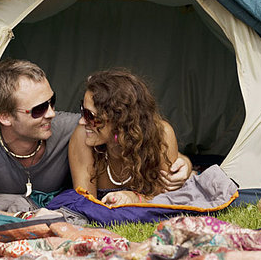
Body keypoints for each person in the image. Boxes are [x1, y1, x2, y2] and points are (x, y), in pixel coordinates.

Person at [0, 59, 190, 206]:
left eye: (52, 101)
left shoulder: (72, 128)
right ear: (4, 117)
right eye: (38, 109)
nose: (51, 114)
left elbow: (164, 189)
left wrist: (185, 163)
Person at [69, 68, 183, 205]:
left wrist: (135, 198)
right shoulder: (82, 136)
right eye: (83, 111)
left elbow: (169, 199)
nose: (82, 121)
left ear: (120, 120)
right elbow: (86, 204)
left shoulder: (161, 134)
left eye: (90, 116)